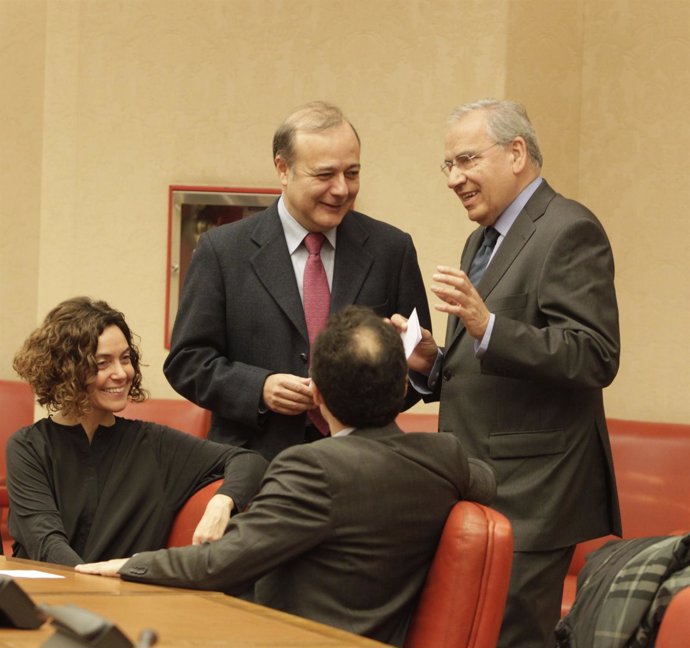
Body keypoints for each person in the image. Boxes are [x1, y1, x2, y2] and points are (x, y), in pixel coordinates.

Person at [76, 306, 496, 648]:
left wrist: (129, 565)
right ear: (403, 383)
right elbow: (484, 480)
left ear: (317, 395)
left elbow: (218, 563)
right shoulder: (447, 457)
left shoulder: (312, 468)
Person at [392, 99, 621, 648]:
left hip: (535, 494)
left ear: (516, 152)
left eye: (466, 160)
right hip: (478, 482)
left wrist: (487, 325)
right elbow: (487, 360)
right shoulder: (480, 239)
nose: (454, 178)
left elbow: (594, 354)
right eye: (447, 165)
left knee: (515, 638)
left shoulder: (569, 228)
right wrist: (432, 362)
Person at [163, 100, 431, 460]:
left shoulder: (391, 250)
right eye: (325, 175)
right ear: (283, 169)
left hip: (363, 468)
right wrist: (259, 388)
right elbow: (187, 361)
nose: (341, 189)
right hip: (253, 469)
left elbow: (415, 368)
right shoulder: (223, 251)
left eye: (352, 173)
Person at [7, 297, 267, 567]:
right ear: (66, 369)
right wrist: (93, 583)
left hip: (125, 601)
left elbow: (249, 460)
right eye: (102, 363)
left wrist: (223, 502)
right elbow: (45, 544)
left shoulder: (156, 444)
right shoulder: (29, 446)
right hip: (41, 596)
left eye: (125, 359)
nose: (121, 373)